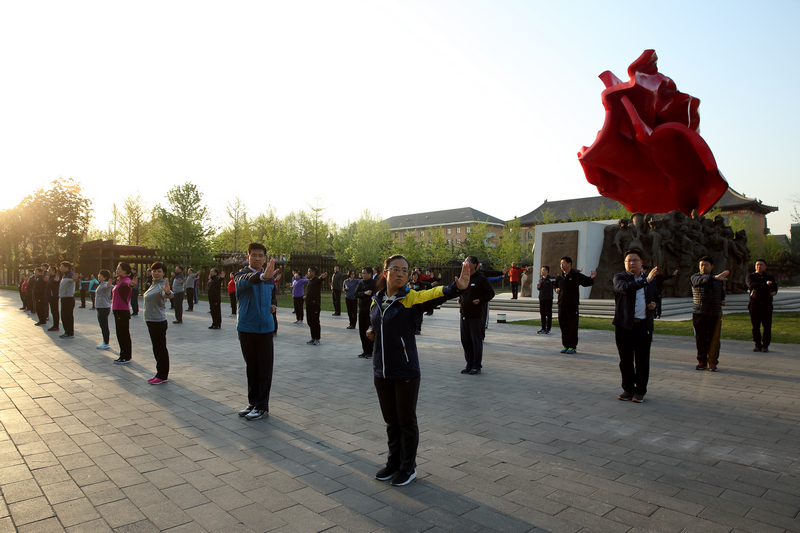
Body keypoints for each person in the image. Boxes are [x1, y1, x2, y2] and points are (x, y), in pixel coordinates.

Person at [366, 255, 470, 486]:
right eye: (395, 269)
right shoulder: (376, 299)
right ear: (385, 273)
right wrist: (372, 332)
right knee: (391, 421)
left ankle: (407, 467)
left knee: (405, 421)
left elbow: (434, 294)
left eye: (405, 270)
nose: (401, 273)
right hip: (381, 371)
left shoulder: (411, 298)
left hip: (405, 371)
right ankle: (393, 463)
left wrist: (457, 288)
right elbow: (378, 323)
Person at [235, 243, 278, 421]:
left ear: (265, 258)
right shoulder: (240, 275)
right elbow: (247, 281)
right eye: (254, 255)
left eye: (261, 255)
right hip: (246, 328)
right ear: (248, 257)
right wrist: (261, 276)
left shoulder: (269, 278)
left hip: (266, 329)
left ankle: (262, 407)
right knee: (252, 368)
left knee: (264, 369)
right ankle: (253, 403)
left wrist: (273, 303)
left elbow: (272, 293)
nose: (258, 258)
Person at [613, 250, 658, 403]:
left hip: (643, 326)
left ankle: (640, 391)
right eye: (628, 261)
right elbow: (626, 288)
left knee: (642, 360)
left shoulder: (650, 280)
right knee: (625, 359)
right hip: (624, 326)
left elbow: (657, 297)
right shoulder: (620, 278)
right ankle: (628, 389)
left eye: (635, 260)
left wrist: (654, 305)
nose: (631, 263)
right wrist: (646, 280)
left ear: (641, 262)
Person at [458, 256, 495, 375]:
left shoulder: (481, 279)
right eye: (465, 261)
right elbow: (462, 291)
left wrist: (481, 300)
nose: (465, 263)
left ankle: (476, 365)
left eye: (468, 261)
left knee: (476, 341)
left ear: (474, 265)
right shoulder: (464, 277)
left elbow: (491, 293)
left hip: (475, 315)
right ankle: (469, 363)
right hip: (464, 314)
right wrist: (460, 298)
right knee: (465, 340)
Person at [691, 256, 728, 371]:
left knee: (714, 339)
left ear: (712, 266)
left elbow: (721, 292)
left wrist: (722, 299)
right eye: (701, 265)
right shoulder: (695, 277)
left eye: (706, 264)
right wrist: (715, 277)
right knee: (700, 338)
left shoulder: (718, 280)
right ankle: (702, 361)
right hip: (700, 312)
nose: (703, 267)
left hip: (715, 314)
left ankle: (712, 362)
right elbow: (703, 280)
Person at [554, 256, 596, 354]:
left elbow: (586, 282)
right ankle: (565, 345)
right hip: (561, 304)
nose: (562, 265)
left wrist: (592, 278)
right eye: (561, 263)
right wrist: (556, 289)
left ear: (569, 264)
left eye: (564, 263)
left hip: (572, 305)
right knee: (563, 325)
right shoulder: (559, 276)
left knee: (572, 326)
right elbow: (555, 285)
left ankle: (572, 346)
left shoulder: (576, 275)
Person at [144, 262, 173, 384]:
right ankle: (159, 372)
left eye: (159, 271)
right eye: (154, 271)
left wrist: (167, 292)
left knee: (160, 348)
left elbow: (167, 295)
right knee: (156, 348)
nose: (156, 273)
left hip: (158, 321)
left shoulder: (162, 285)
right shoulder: (153, 284)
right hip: (151, 320)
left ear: (164, 273)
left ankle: (162, 375)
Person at [747, 259, 777, 353]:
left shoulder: (769, 277)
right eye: (757, 265)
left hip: (766, 304)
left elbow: (775, 287)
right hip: (755, 304)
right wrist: (765, 285)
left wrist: (773, 292)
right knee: (755, 326)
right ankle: (757, 344)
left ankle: (765, 345)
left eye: (761, 265)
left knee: (767, 326)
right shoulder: (751, 276)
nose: (759, 266)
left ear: (765, 266)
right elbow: (752, 285)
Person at [112, 262, 136, 364]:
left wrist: (131, 285)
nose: (117, 270)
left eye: (119, 269)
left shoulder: (126, 280)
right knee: (120, 334)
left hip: (122, 311)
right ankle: (123, 355)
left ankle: (126, 356)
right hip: (117, 310)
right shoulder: (119, 280)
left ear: (125, 271)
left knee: (123, 334)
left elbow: (129, 284)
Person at [355, 266, 376, 358]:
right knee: (362, 330)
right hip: (362, 310)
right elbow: (355, 294)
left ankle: (371, 351)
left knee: (370, 331)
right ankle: (365, 350)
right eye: (362, 273)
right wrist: (364, 293)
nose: (362, 275)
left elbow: (375, 295)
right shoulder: (360, 283)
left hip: (370, 311)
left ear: (370, 274)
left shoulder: (374, 284)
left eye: (364, 273)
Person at [304, 266, 327, 345]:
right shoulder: (310, 281)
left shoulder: (317, 280)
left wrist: (322, 277)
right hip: (309, 304)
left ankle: (317, 338)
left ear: (313, 273)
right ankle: (313, 338)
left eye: (309, 271)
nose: (308, 272)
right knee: (310, 322)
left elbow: (320, 279)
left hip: (315, 304)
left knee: (315, 322)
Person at [94, 269, 113, 350]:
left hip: (104, 307)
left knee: (104, 325)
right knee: (102, 325)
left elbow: (109, 286)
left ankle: (106, 343)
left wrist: (109, 285)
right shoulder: (101, 284)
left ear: (105, 277)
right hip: (100, 307)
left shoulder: (105, 284)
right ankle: (105, 342)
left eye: (101, 275)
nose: (99, 276)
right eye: (99, 274)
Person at [58, 262, 77, 339]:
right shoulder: (65, 276)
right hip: (64, 298)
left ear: (67, 267)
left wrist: (75, 279)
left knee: (67, 316)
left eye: (62, 266)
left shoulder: (70, 276)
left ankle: (69, 333)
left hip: (68, 299)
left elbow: (74, 280)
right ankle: (67, 332)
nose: (61, 267)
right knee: (64, 316)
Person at [536, 266, 556, 334]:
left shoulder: (551, 279)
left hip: (548, 298)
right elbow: (539, 289)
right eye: (541, 270)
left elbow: (556, 284)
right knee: (542, 314)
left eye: (543, 270)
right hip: (542, 298)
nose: (542, 271)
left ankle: (548, 329)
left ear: (547, 271)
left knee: (548, 314)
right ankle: (543, 328)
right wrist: (538, 287)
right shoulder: (541, 279)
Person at [46, 267, 61, 332]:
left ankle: (56, 326)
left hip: (54, 297)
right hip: (50, 297)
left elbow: (57, 283)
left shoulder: (56, 277)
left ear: (53, 271)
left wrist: (57, 281)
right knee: (53, 311)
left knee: (55, 311)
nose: (48, 271)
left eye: (49, 270)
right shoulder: (50, 277)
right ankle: (54, 325)